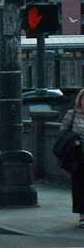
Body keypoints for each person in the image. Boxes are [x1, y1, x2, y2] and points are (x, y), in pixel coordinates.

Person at [61, 88, 84, 228]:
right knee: (80, 186)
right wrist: (74, 140)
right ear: (80, 100)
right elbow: (63, 133)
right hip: (78, 156)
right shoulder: (72, 114)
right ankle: (82, 214)